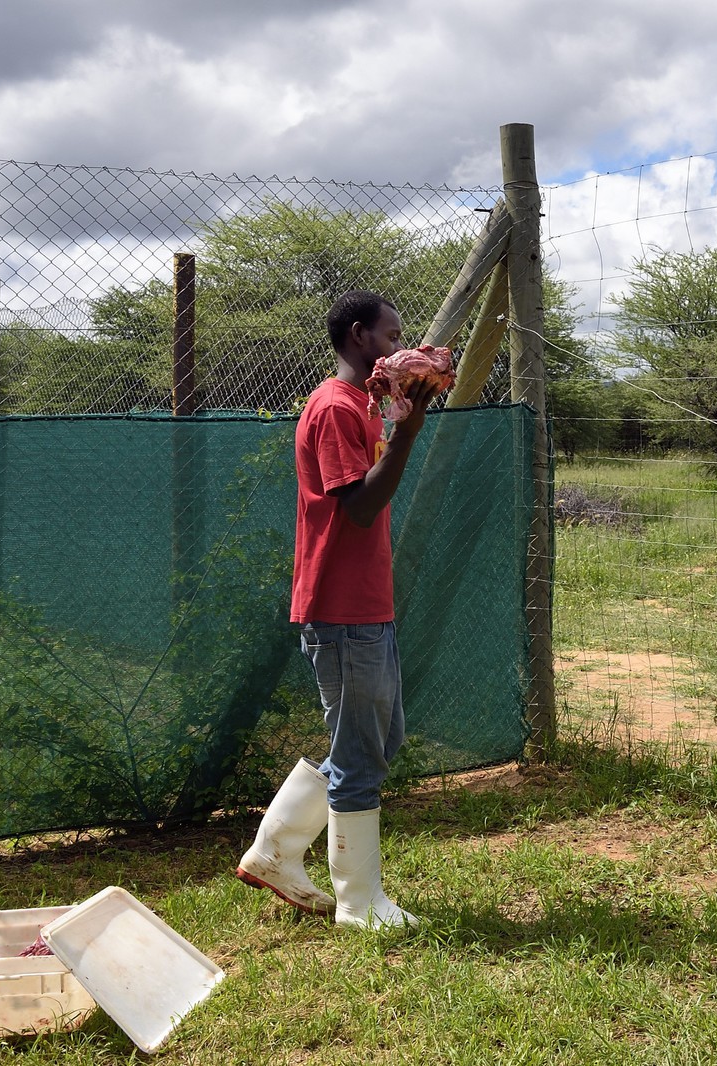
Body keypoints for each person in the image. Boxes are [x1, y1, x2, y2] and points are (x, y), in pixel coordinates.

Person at [235, 289, 440, 930]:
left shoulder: (364, 407)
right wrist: (407, 434)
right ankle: (359, 902)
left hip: (364, 604)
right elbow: (356, 506)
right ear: (358, 337)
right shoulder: (333, 408)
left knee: (380, 739)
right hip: (341, 608)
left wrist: (400, 415)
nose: (398, 347)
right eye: (390, 336)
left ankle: (274, 851)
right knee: (360, 752)